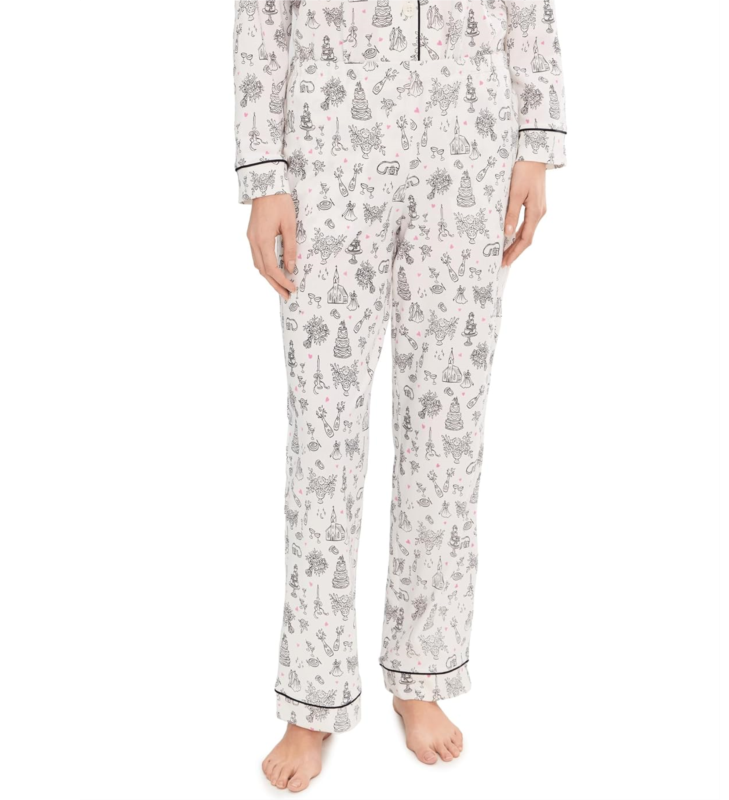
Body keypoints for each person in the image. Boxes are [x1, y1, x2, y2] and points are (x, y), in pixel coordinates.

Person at [233, 1, 567, 792]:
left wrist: (535, 142)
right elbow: (261, 16)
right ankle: (313, 695)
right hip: (329, 140)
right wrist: (263, 174)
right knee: (324, 436)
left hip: (470, 132)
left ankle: (423, 671)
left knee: (447, 432)